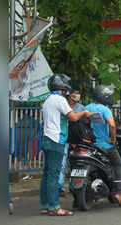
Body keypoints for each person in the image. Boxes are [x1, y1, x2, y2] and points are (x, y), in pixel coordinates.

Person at [40, 74, 93, 216]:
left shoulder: (48, 100)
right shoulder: (60, 100)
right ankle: (54, 207)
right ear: (62, 87)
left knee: (46, 173)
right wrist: (84, 112)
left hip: (46, 139)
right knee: (54, 174)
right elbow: (74, 117)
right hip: (56, 139)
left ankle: (45, 205)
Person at [84, 85, 121, 208]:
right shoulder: (104, 109)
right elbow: (112, 126)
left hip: (91, 146)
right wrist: (112, 139)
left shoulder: (87, 108)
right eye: (107, 95)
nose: (109, 97)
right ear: (102, 96)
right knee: (119, 165)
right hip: (104, 145)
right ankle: (118, 192)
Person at [58, 88, 85, 196]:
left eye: (78, 93)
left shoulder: (81, 108)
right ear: (69, 95)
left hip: (76, 139)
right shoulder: (63, 104)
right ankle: (60, 187)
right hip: (64, 137)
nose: (77, 96)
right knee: (62, 163)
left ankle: (73, 185)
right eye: (75, 93)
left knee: (75, 163)